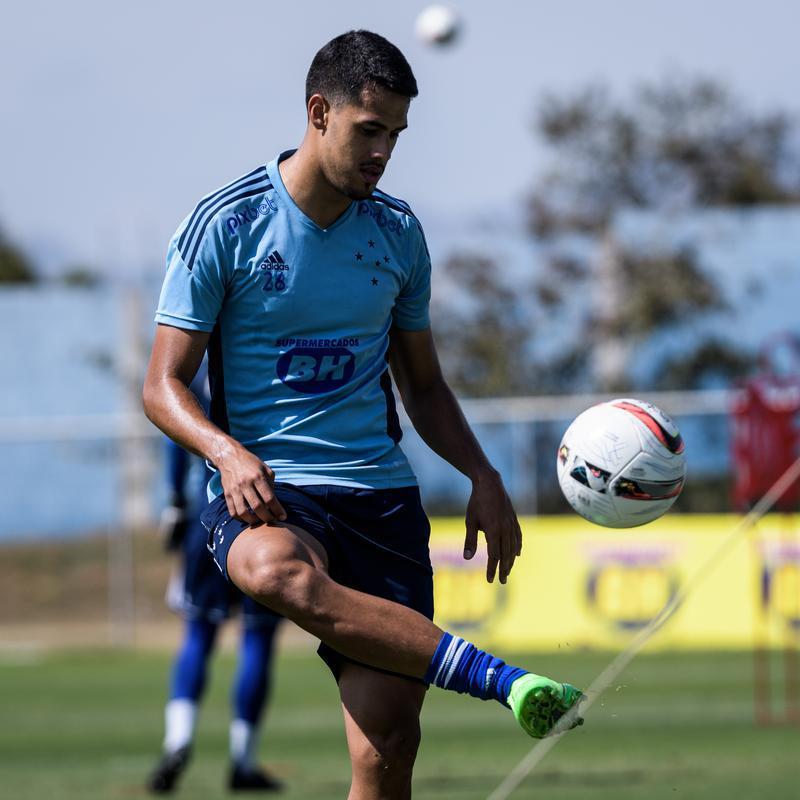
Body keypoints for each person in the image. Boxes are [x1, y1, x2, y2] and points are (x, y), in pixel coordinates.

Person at [143, 29, 584, 799]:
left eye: (396, 136)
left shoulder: (398, 233)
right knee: (271, 570)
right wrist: (226, 453)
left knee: (386, 750)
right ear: (319, 112)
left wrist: (481, 475)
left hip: (380, 501)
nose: (383, 153)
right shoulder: (227, 225)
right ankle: (500, 680)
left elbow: (425, 387)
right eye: (370, 130)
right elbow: (161, 385)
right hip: (272, 489)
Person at [147, 365, 284, 794]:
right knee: (257, 639)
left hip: (207, 516)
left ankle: (178, 741)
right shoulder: (269, 362)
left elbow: (175, 436)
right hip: (267, 517)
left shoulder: (195, 372)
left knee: (198, 634)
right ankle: (243, 760)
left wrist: (174, 503)